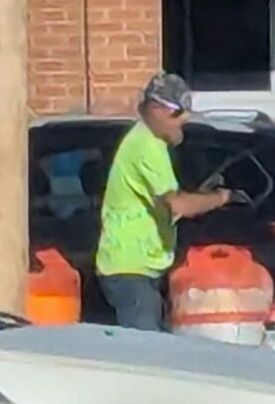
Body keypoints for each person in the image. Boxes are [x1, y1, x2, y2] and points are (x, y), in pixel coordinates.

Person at [95, 73, 234, 329]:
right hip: (129, 270)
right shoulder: (145, 146)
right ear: (155, 109)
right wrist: (221, 198)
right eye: (178, 113)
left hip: (147, 268)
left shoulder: (155, 143)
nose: (185, 119)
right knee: (147, 355)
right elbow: (178, 205)